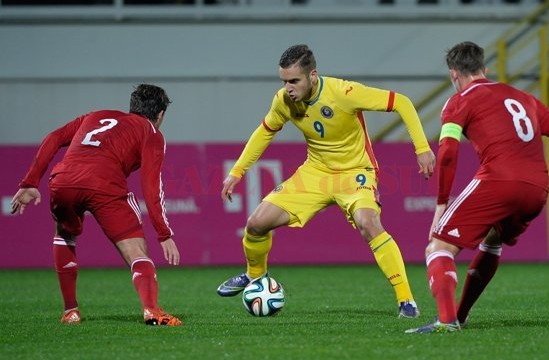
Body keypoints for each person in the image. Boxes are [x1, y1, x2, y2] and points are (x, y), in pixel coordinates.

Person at [217, 44, 435, 318]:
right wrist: (237, 171)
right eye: (284, 81)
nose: (288, 88)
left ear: (313, 76)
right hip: (315, 173)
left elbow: (401, 102)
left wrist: (422, 148)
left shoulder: (344, 93)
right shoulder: (283, 101)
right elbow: (264, 132)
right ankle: (254, 276)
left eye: (294, 81)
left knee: (369, 223)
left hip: (355, 173)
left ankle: (406, 300)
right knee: (256, 224)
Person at [405, 41, 549, 333]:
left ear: (453, 74)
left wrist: (441, 205)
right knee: (492, 241)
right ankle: (461, 315)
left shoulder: (459, 101)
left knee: (438, 247)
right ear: (485, 68)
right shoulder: (523, 97)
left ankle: (446, 321)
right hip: (537, 189)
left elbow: (447, 154)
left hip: (499, 181)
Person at [11, 84, 182, 326]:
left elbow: (53, 138)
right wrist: (164, 234)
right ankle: (152, 311)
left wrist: (30, 181)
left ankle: (70, 311)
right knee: (136, 250)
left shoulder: (95, 116)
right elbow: (151, 186)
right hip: (105, 185)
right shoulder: (151, 133)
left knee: (64, 235)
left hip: (64, 181)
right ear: (161, 114)